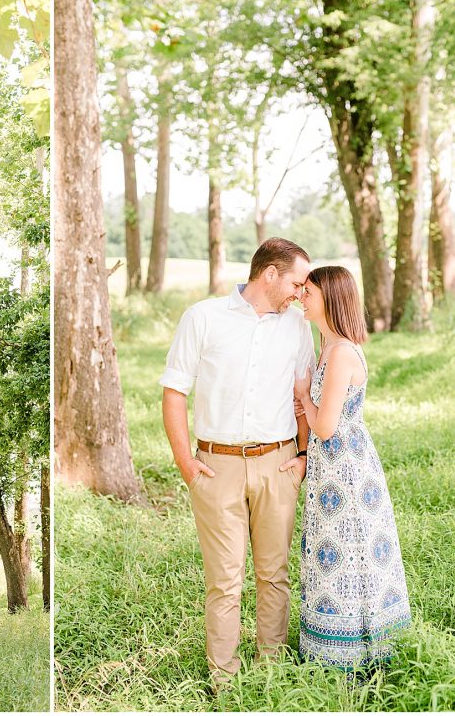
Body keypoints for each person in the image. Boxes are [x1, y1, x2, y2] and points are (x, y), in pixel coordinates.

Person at [161, 237, 315, 690]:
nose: (301, 293)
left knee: (274, 575)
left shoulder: (297, 327)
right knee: (224, 583)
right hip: (217, 467)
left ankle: (271, 674)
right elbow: (174, 392)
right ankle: (223, 683)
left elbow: (301, 397)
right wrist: (186, 462)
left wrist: (302, 456)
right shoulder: (203, 318)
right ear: (269, 274)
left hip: (279, 463)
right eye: (296, 282)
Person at [294, 265, 411, 671]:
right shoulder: (325, 346)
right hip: (333, 467)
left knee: (351, 550)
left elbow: (325, 426)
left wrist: (302, 397)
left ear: (330, 297)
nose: (300, 297)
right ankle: (330, 646)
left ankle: (359, 651)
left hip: (347, 468)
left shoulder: (342, 352)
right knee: (334, 550)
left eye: (307, 291)